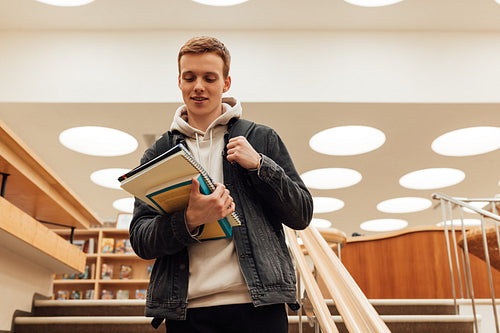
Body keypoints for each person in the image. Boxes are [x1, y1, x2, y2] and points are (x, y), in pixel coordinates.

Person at [129, 36, 313, 333]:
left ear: (226, 83)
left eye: (209, 77)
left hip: (258, 307)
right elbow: (141, 239)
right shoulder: (158, 152)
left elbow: (301, 213)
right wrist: (190, 220)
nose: (198, 86)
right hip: (187, 310)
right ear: (179, 81)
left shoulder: (261, 138)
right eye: (190, 77)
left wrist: (261, 166)